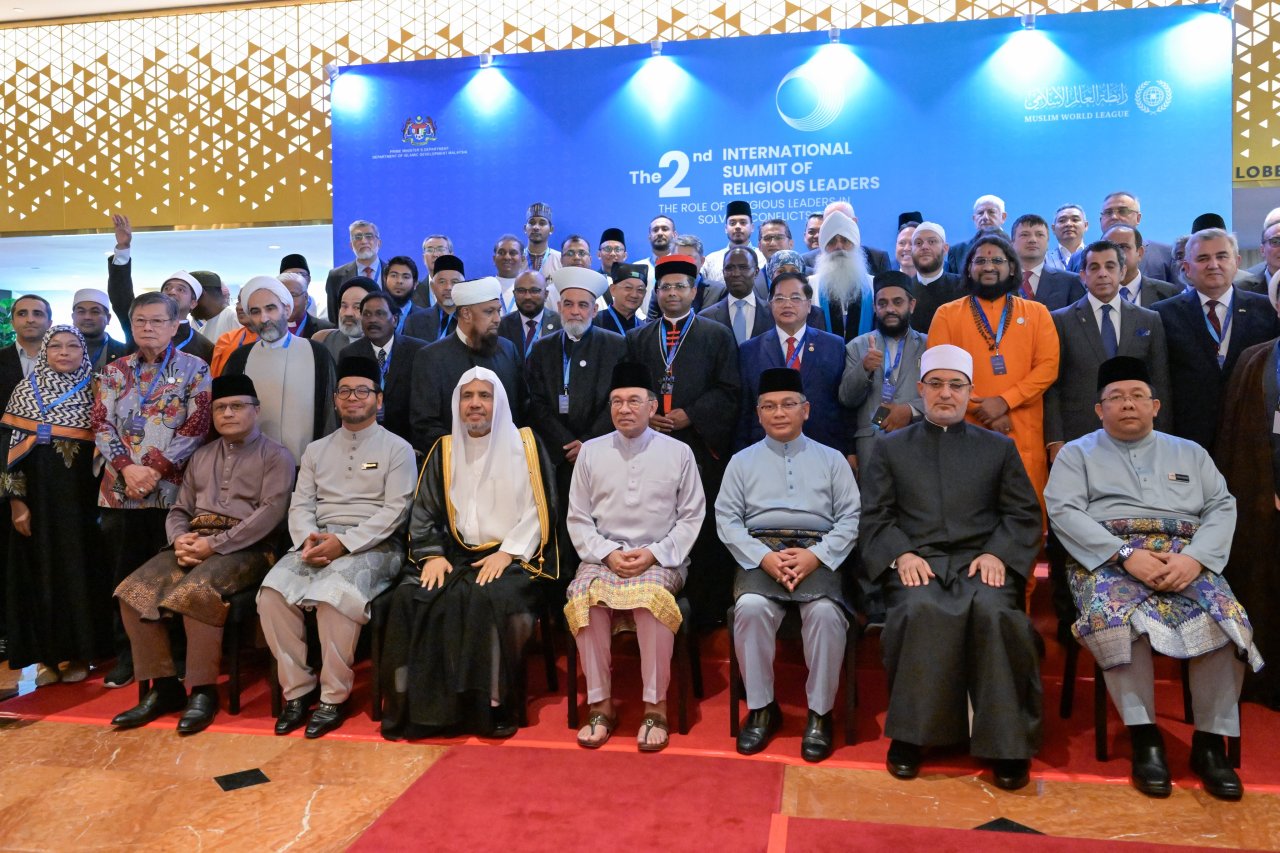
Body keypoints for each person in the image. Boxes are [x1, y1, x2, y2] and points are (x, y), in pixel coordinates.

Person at [1044, 356, 1262, 801]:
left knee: (1227, 620)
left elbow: (1221, 507)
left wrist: (1195, 559)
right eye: (1116, 397)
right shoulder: (1076, 454)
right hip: (1107, 560)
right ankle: (1144, 737)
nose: (1128, 405)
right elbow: (1063, 511)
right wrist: (1125, 555)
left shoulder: (1190, 452)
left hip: (1186, 559)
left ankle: (1210, 745)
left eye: (1137, 396)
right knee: (1119, 622)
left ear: (1155, 405)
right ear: (1099, 409)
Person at [859, 344, 1043, 790]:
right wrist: (902, 555)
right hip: (918, 561)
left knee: (996, 614)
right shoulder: (890, 448)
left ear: (969, 392)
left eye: (956, 385)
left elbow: (1023, 514)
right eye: (936, 384)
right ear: (921, 389)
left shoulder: (998, 448)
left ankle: (1007, 744)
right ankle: (911, 736)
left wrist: (999, 553)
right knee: (918, 610)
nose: (946, 393)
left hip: (981, 562)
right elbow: (875, 515)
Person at [111, 374, 294, 733]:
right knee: (132, 592)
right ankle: (165, 688)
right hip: (195, 541)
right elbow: (180, 509)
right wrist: (179, 539)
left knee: (196, 591)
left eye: (237, 406)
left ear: (256, 410)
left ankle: (202, 691)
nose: (228, 413)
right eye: (221, 408)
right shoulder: (202, 455)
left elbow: (270, 514)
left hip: (249, 549)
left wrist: (216, 544)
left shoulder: (276, 456)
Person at [381, 368, 557, 739]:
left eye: (484, 396)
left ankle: (488, 706)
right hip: (456, 554)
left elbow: (541, 510)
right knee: (411, 596)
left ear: (499, 403)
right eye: (467, 396)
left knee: (486, 597)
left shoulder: (525, 444)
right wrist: (431, 555)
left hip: (518, 558)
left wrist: (508, 553)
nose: (475, 404)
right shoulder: (444, 449)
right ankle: (426, 709)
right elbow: (424, 511)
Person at [258, 357, 416, 738]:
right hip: (317, 540)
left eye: (362, 391)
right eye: (345, 391)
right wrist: (308, 539)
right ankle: (298, 690)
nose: (353, 398)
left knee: (333, 595)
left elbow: (396, 511)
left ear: (378, 399)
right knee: (272, 593)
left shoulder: (398, 449)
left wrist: (343, 543)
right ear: (335, 400)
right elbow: (301, 504)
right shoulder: (316, 450)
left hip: (375, 545)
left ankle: (333, 695)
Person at [717, 367, 860, 761]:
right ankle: (762, 709)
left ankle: (820, 714)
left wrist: (817, 556)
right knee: (750, 608)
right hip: (761, 555)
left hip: (819, 555)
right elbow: (726, 520)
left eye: (788, 404)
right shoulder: (741, 462)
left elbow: (851, 518)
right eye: (769, 406)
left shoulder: (832, 460)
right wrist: (763, 557)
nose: (779, 413)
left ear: (805, 410)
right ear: (758, 414)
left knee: (826, 615)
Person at [566, 362, 705, 752]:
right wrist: (608, 553)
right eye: (617, 401)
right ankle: (600, 706)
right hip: (602, 557)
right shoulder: (591, 452)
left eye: (633, 401)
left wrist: (654, 553)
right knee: (584, 599)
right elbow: (578, 517)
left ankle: (655, 708)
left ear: (652, 406)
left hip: (660, 557)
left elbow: (691, 516)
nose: (624, 409)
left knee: (650, 601)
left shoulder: (679, 452)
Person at [94, 292, 212, 688]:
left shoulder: (195, 368)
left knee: (171, 576)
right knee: (123, 576)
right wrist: (129, 469)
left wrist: (153, 471)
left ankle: (174, 656)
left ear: (175, 325)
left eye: (158, 321)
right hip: (119, 490)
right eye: (141, 321)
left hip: (171, 493)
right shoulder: (114, 371)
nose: (148, 327)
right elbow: (101, 424)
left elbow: (197, 426)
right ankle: (128, 657)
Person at [626, 253, 741, 622]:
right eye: (665, 287)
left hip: (699, 447)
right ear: (657, 293)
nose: (672, 293)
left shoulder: (717, 335)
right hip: (649, 445)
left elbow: (730, 389)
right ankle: (649, 598)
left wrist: (690, 414)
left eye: (680, 286)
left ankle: (705, 610)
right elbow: (627, 387)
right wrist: (647, 414)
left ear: (694, 292)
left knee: (701, 524)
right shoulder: (638, 338)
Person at [1, 326, 109, 687]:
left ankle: (80, 654)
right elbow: (8, 455)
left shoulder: (98, 391)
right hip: (38, 506)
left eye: (72, 346)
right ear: (45, 352)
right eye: (56, 346)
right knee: (40, 575)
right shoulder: (24, 391)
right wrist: (17, 503)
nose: (64, 352)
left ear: (83, 351)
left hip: (84, 507)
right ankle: (46, 659)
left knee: (81, 574)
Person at [927, 235, 1059, 508]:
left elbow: (1048, 368)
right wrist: (981, 410)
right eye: (980, 261)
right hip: (966, 427)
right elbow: (940, 373)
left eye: (997, 260)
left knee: (1025, 510)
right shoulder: (946, 314)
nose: (989, 266)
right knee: (970, 508)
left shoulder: (1037, 313)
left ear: (1012, 268)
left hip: (1022, 428)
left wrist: (1004, 402)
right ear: (968, 269)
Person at [524, 267, 627, 588]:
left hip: (602, 452)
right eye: (568, 304)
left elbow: (617, 400)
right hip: (558, 457)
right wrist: (566, 443)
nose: (575, 312)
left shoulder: (616, 345)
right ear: (558, 306)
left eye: (583, 305)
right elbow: (536, 402)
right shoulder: (542, 348)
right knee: (559, 526)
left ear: (595, 310)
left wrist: (589, 442)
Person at [1153, 227, 1280, 451]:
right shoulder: (1162, 314)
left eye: (1222, 256)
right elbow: (1160, 382)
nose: (1213, 265)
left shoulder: (1267, 310)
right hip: (1187, 440)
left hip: (1253, 438)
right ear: (1187, 268)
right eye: (1203, 258)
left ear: (1237, 262)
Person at [1217, 336, 1280, 710]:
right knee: (1259, 587)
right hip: (1258, 493)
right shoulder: (1255, 359)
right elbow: (1234, 433)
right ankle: (1261, 679)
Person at [222, 276, 336, 464]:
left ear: (287, 310)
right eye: (255, 312)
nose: (264, 318)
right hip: (253, 465)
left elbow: (330, 413)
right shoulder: (239, 358)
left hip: (308, 466)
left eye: (271, 308)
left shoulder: (317, 353)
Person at [739, 272, 851, 456]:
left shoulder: (833, 345)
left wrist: (850, 450)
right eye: (779, 299)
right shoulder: (750, 350)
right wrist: (742, 454)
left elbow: (843, 404)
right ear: (770, 305)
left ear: (809, 305)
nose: (787, 304)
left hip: (824, 447)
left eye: (795, 298)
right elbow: (745, 409)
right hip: (766, 449)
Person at [409, 276, 525, 451]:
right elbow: (424, 423)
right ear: (466, 314)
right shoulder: (432, 358)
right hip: (454, 458)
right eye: (489, 312)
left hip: (505, 455)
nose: (497, 319)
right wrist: (466, 451)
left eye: (498, 311)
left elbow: (521, 407)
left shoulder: (508, 350)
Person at [839, 271, 927, 468]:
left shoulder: (928, 345)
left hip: (917, 443)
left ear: (911, 305)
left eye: (898, 302)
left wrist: (910, 410)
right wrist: (864, 368)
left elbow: (940, 395)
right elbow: (846, 398)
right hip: (871, 447)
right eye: (882, 303)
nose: (890, 309)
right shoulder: (857, 346)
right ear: (874, 307)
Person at [107, 215, 215, 364]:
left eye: (181, 290)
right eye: (167, 288)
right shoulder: (140, 326)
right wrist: (123, 249)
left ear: (193, 303)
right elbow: (120, 295)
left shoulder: (205, 347)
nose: (172, 292)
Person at [339, 291, 426, 446]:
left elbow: (423, 403)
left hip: (409, 440)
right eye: (367, 314)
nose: (372, 320)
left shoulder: (418, 351)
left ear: (395, 319)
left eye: (380, 314)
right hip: (364, 441)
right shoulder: (350, 354)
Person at [1069, 192, 1179, 283]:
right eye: (1108, 212)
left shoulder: (1165, 254)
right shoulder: (1078, 258)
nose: (1114, 216)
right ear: (1101, 220)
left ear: (1138, 218)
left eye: (1123, 211)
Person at [811, 211, 874, 341]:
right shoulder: (810, 286)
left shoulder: (873, 284)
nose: (839, 246)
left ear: (855, 245)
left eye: (845, 240)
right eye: (832, 241)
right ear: (824, 247)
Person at [1010, 213, 1085, 311]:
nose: (1032, 240)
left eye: (1040, 235)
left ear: (1047, 243)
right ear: (1012, 243)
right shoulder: (1000, 280)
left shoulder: (1070, 282)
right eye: (1024, 235)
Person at [699, 247, 771, 343]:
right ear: (723, 272)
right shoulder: (705, 317)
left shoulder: (773, 313)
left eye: (743, 267)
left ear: (756, 272)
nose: (736, 274)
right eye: (729, 268)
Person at [1103, 225, 1181, 307]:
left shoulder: (1167, 293)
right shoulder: (1093, 292)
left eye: (1123, 247)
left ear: (1140, 253)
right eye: (1108, 247)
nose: (1114, 254)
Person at [908, 222, 966, 334]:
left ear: (945, 248)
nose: (924, 247)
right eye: (918, 243)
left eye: (932, 242)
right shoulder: (904, 291)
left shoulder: (964, 287)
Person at [324, 219, 383, 320]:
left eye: (369, 236)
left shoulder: (391, 272)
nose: (364, 241)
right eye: (358, 237)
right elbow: (334, 317)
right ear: (351, 245)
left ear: (379, 243)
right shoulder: (336, 276)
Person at [497, 270, 561, 359]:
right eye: (521, 291)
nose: (527, 296)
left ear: (546, 294)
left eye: (534, 291)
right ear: (514, 294)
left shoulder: (560, 323)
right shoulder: (501, 326)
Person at [702, 200, 766, 284]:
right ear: (726, 228)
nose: (738, 226)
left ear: (752, 227)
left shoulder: (763, 258)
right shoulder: (711, 260)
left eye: (743, 223)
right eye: (732, 223)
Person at [405, 254, 465, 342]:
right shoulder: (414, 321)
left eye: (454, 282)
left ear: (464, 286)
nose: (448, 287)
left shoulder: (475, 320)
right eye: (442, 282)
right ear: (432, 287)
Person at [943, 194, 1009, 274]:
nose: (985, 217)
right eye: (980, 213)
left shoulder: (1015, 247)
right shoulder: (957, 251)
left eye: (991, 212)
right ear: (974, 219)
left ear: (1003, 217)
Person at [313, 277, 372, 362]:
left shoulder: (386, 344)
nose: (348, 313)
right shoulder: (322, 339)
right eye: (344, 306)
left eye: (357, 307)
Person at [71, 288, 128, 372]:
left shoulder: (125, 352)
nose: (87, 317)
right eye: (81, 311)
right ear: (73, 317)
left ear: (108, 318)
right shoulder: (59, 350)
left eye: (95, 312)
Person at [593, 263, 648, 336]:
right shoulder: (594, 322)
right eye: (628, 288)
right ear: (613, 289)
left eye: (640, 290)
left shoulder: (645, 329)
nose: (634, 295)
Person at [1045, 203, 1088, 272]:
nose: (1069, 224)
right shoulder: (1043, 260)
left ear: (1086, 226)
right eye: (1062, 221)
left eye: (1075, 220)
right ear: (1053, 229)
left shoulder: (1096, 256)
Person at [522, 202, 562, 277]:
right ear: (525, 228)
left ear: (551, 229)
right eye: (532, 223)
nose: (536, 227)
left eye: (542, 223)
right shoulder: (516, 259)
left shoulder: (560, 260)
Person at [415, 233, 454, 307]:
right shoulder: (413, 291)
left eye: (440, 249)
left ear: (451, 256)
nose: (435, 254)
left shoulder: (462, 289)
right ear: (424, 258)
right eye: (429, 250)